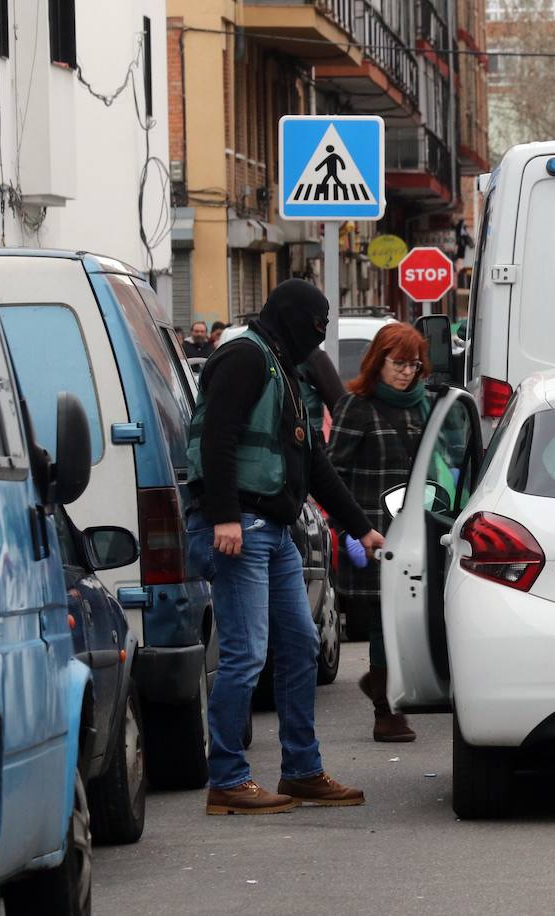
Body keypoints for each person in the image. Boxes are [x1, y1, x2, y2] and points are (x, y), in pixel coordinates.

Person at [185, 279, 384, 815]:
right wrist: (224, 515)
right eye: (314, 329)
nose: (316, 341)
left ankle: (301, 771)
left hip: (274, 532)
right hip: (241, 529)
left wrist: (358, 526)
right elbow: (218, 437)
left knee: (300, 647)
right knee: (246, 655)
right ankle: (227, 779)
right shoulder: (245, 357)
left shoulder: (281, 365)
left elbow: (312, 461)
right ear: (292, 318)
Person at [327, 323, 432, 743]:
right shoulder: (357, 406)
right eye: (398, 363)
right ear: (378, 363)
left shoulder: (427, 407)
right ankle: (386, 711)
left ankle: (382, 684)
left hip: (421, 531)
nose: (407, 372)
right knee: (384, 623)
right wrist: (349, 529)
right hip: (374, 536)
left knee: (413, 620)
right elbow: (334, 473)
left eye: (413, 364)